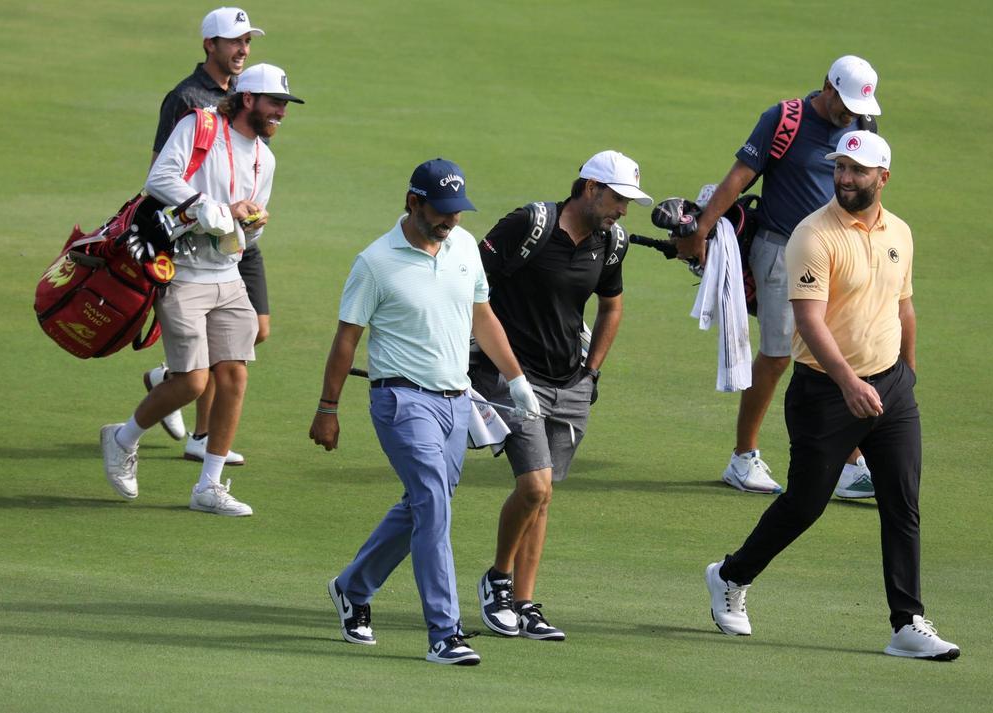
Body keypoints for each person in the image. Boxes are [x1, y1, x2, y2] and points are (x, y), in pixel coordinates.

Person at [704, 131, 961, 661]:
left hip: (889, 386)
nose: (844, 178)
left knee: (902, 503)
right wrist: (849, 382)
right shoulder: (813, 235)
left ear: (882, 177)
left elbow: (903, 306)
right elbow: (808, 320)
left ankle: (907, 622)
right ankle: (730, 575)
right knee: (805, 504)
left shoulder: (900, 233)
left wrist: (906, 377)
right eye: (840, 167)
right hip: (825, 390)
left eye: (857, 171)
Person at [311, 159, 540, 666]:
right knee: (434, 503)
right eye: (441, 211)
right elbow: (346, 339)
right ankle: (444, 632)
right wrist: (328, 408)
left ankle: (353, 587)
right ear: (413, 202)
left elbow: (483, 317)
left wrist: (517, 379)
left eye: (457, 211)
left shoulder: (463, 247)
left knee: (421, 503)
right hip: (400, 400)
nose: (451, 221)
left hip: (457, 403)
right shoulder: (374, 263)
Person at [100, 63, 302, 515]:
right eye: (275, 103)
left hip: (227, 276)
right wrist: (212, 206)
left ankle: (208, 487)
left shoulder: (264, 159)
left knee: (234, 375)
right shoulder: (199, 125)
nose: (281, 113)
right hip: (182, 270)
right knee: (192, 381)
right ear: (248, 98)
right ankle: (121, 437)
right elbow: (159, 179)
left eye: (285, 105)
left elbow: (245, 238)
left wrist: (251, 225)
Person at [676, 55, 882, 498]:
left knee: (843, 351)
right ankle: (742, 457)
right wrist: (702, 229)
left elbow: (865, 190)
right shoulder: (784, 119)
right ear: (826, 85)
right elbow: (740, 176)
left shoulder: (863, 126)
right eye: (843, 104)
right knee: (776, 356)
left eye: (856, 108)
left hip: (839, 253)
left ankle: (846, 464)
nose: (849, 115)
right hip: (781, 251)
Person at [471, 150, 651, 641]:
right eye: (617, 199)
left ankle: (526, 604)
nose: (623, 211)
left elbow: (611, 307)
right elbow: (470, 287)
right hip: (513, 378)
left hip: (570, 382)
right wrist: (506, 373)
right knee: (534, 486)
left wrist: (591, 373)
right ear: (590, 188)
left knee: (543, 496)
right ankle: (498, 582)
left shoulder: (611, 242)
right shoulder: (528, 224)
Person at [142, 7, 271, 469]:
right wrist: (207, 213)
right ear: (209, 45)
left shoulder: (250, 95)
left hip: (237, 236)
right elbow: (161, 174)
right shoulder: (185, 99)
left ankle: (170, 378)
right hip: (197, 236)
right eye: (234, 41)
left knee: (258, 330)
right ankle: (199, 432)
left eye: (247, 41)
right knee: (215, 360)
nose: (242, 49)